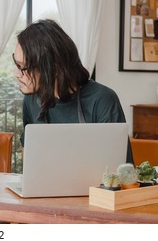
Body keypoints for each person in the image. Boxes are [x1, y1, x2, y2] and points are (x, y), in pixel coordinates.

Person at [13, 19, 133, 163]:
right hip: (45, 185)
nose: (16, 73)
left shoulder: (102, 100)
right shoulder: (31, 100)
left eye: (23, 67)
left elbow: (121, 171)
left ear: (54, 68)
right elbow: (30, 159)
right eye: (16, 63)